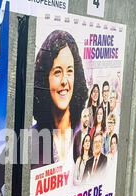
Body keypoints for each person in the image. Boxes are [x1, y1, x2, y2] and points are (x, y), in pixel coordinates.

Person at [32, 30, 88, 169]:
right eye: (57, 72)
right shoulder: (30, 139)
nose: (64, 81)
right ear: (45, 78)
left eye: (69, 71)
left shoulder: (87, 131)